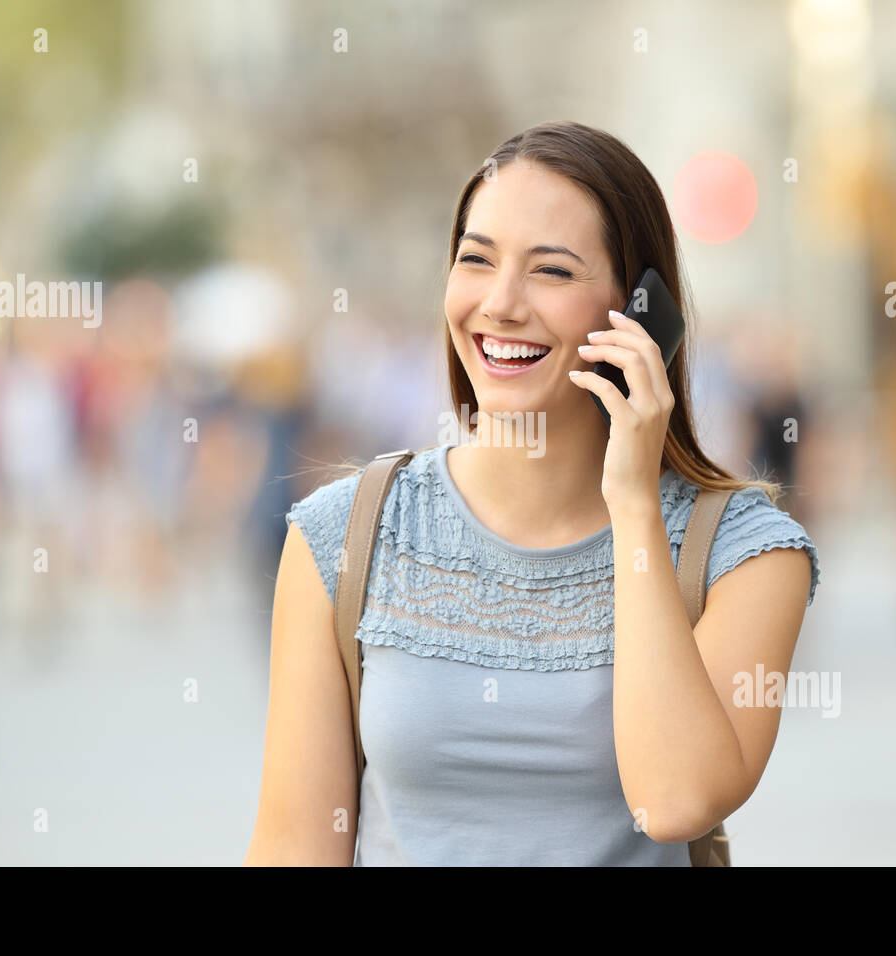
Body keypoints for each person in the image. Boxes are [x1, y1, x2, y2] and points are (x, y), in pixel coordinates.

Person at [244, 122, 820, 866]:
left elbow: (675, 799)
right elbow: (293, 849)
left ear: (641, 311)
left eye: (550, 271)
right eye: (475, 261)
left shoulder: (745, 554)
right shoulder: (344, 534)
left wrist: (635, 504)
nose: (501, 304)